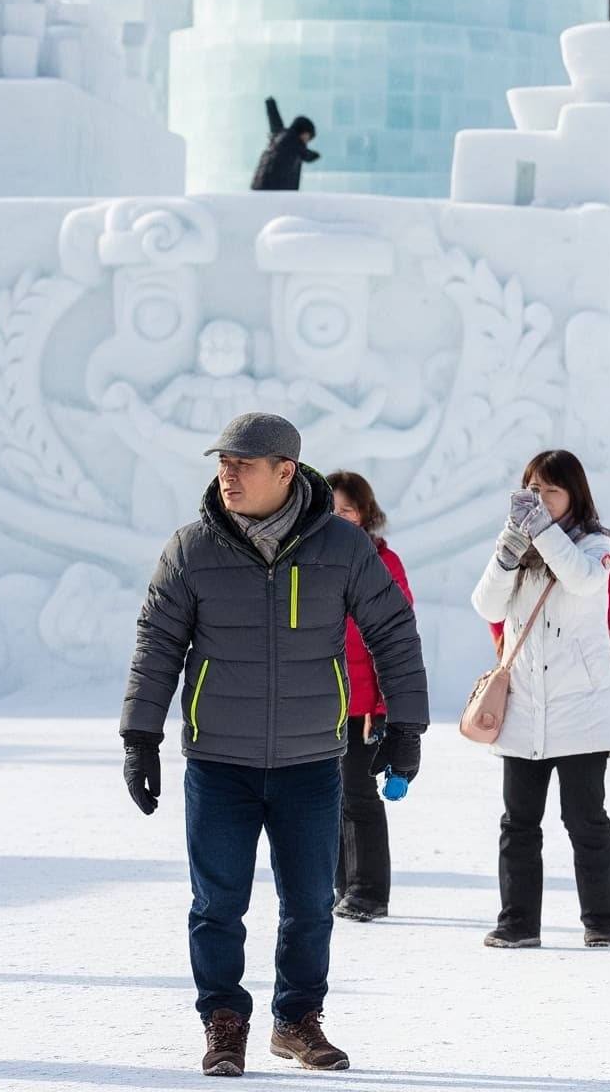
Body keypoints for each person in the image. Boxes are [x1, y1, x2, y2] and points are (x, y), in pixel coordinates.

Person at [120, 413, 427, 1075]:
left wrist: (407, 726)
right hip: (218, 762)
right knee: (217, 903)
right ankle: (223, 1020)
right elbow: (157, 648)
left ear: (286, 472)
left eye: (244, 464)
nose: (227, 474)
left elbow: (394, 634)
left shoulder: (343, 549)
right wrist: (139, 736)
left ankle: (296, 1019)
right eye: (223, 463)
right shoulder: (190, 549)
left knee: (312, 902)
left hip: (312, 759)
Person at [470, 449, 610, 949]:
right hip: (522, 707)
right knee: (518, 823)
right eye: (532, 490)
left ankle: (601, 919)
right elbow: (486, 605)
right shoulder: (522, 550)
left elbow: (583, 581)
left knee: (584, 819)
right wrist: (507, 552)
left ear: (574, 495)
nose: (539, 500)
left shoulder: (596, 545)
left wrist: (541, 532)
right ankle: (518, 922)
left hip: (580, 708)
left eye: (551, 491)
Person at [325, 469, 411, 923]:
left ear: (365, 514)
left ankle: (369, 890)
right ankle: (342, 884)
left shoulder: (383, 561)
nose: (338, 518)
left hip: (362, 705)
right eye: (330, 509)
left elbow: (396, 640)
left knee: (358, 794)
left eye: (347, 510)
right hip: (320, 701)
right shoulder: (313, 558)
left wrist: (383, 708)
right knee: (327, 796)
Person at [249, 96, 318, 190]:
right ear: (305, 134)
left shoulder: (279, 135)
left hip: (258, 188)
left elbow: (274, 119)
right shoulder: (295, 142)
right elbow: (309, 156)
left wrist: (270, 104)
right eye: (308, 138)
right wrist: (319, 154)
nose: (307, 142)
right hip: (274, 193)